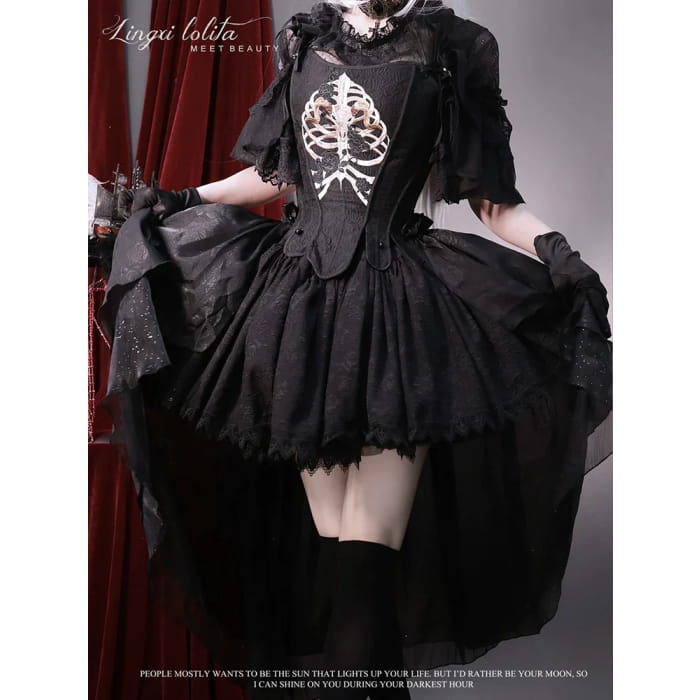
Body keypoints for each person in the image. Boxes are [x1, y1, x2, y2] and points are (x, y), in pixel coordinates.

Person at [97, 1, 612, 699]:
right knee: (344, 557)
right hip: (301, 319)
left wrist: (554, 248)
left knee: (364, 566)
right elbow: (280, 173)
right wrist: (183, 196)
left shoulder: (450, 44)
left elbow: (489, 198)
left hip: (396, 317)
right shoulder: (307, 37)